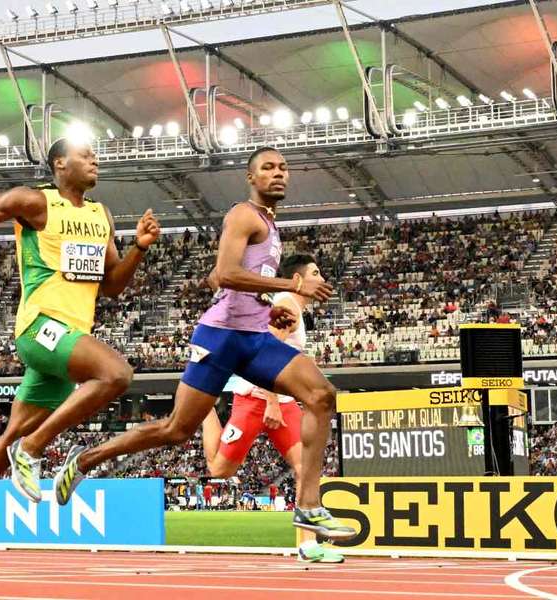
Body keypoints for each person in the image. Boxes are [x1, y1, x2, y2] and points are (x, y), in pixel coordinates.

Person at [48, 147, 358, 545]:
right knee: (176, 430)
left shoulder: (269, 225)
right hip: (219, 339)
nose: (278, 174)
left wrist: (266, 308)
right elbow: (226, 274)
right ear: (251, 178)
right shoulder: (243, 214)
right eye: (267, 168)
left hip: (254, 337)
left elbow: (214, 279)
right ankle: (85, 460)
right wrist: (292, 286)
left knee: (321, 394)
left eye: (283, 168)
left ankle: (309, 506)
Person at [0, 137, 160, 568]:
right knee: (117, 374)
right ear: (59, 163)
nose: (95, 161)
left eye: (95, 156)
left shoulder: (100, 215)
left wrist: (138, 248)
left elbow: (113, 285)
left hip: (68, 342)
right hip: (40, 328)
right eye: (86, 155)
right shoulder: (35, 203)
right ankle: (32, 450)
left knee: (4, 443)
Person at [201, 254, 345, 563]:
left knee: (304, 468)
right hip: (255, 398)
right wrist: (270, 402)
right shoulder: (287, 305)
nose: (321, 279)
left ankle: (308, 546)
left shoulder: (297, 310)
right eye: (315, 273)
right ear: (298, 279)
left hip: (283, 401)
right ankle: (205, 409)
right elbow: (265, 354)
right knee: (219, 470)